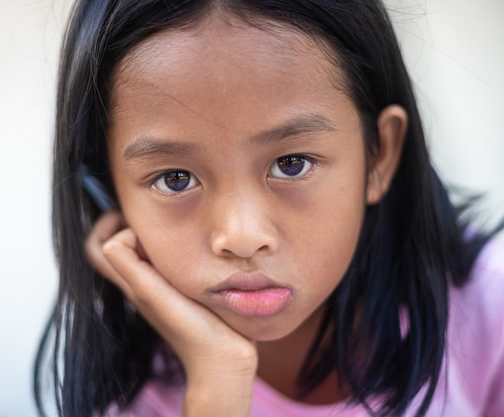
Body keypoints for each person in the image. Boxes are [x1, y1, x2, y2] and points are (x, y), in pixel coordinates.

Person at [33, 1, 504, 416]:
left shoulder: (490, 323)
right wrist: (216, 387)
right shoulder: (129, 392)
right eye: (175, 179)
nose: (241, 235)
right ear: (111, 192)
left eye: (292, 164)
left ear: (378, 155)